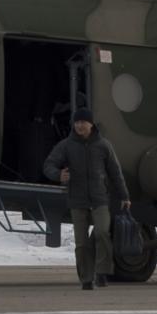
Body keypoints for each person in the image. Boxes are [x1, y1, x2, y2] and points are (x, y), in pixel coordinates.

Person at [43, 108, 130, 290]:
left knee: (102, 234)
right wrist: (59, 175)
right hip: (77, 200)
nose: (80, 125)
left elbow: (115, 172)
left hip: (100, 199)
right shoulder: (66, 145)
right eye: (77, 122)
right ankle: (86, 278)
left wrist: (124, 195)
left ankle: (102, 272)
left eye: (83, 122)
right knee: (81, 243)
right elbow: (48, 165)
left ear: (91, 124)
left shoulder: (103, 145)